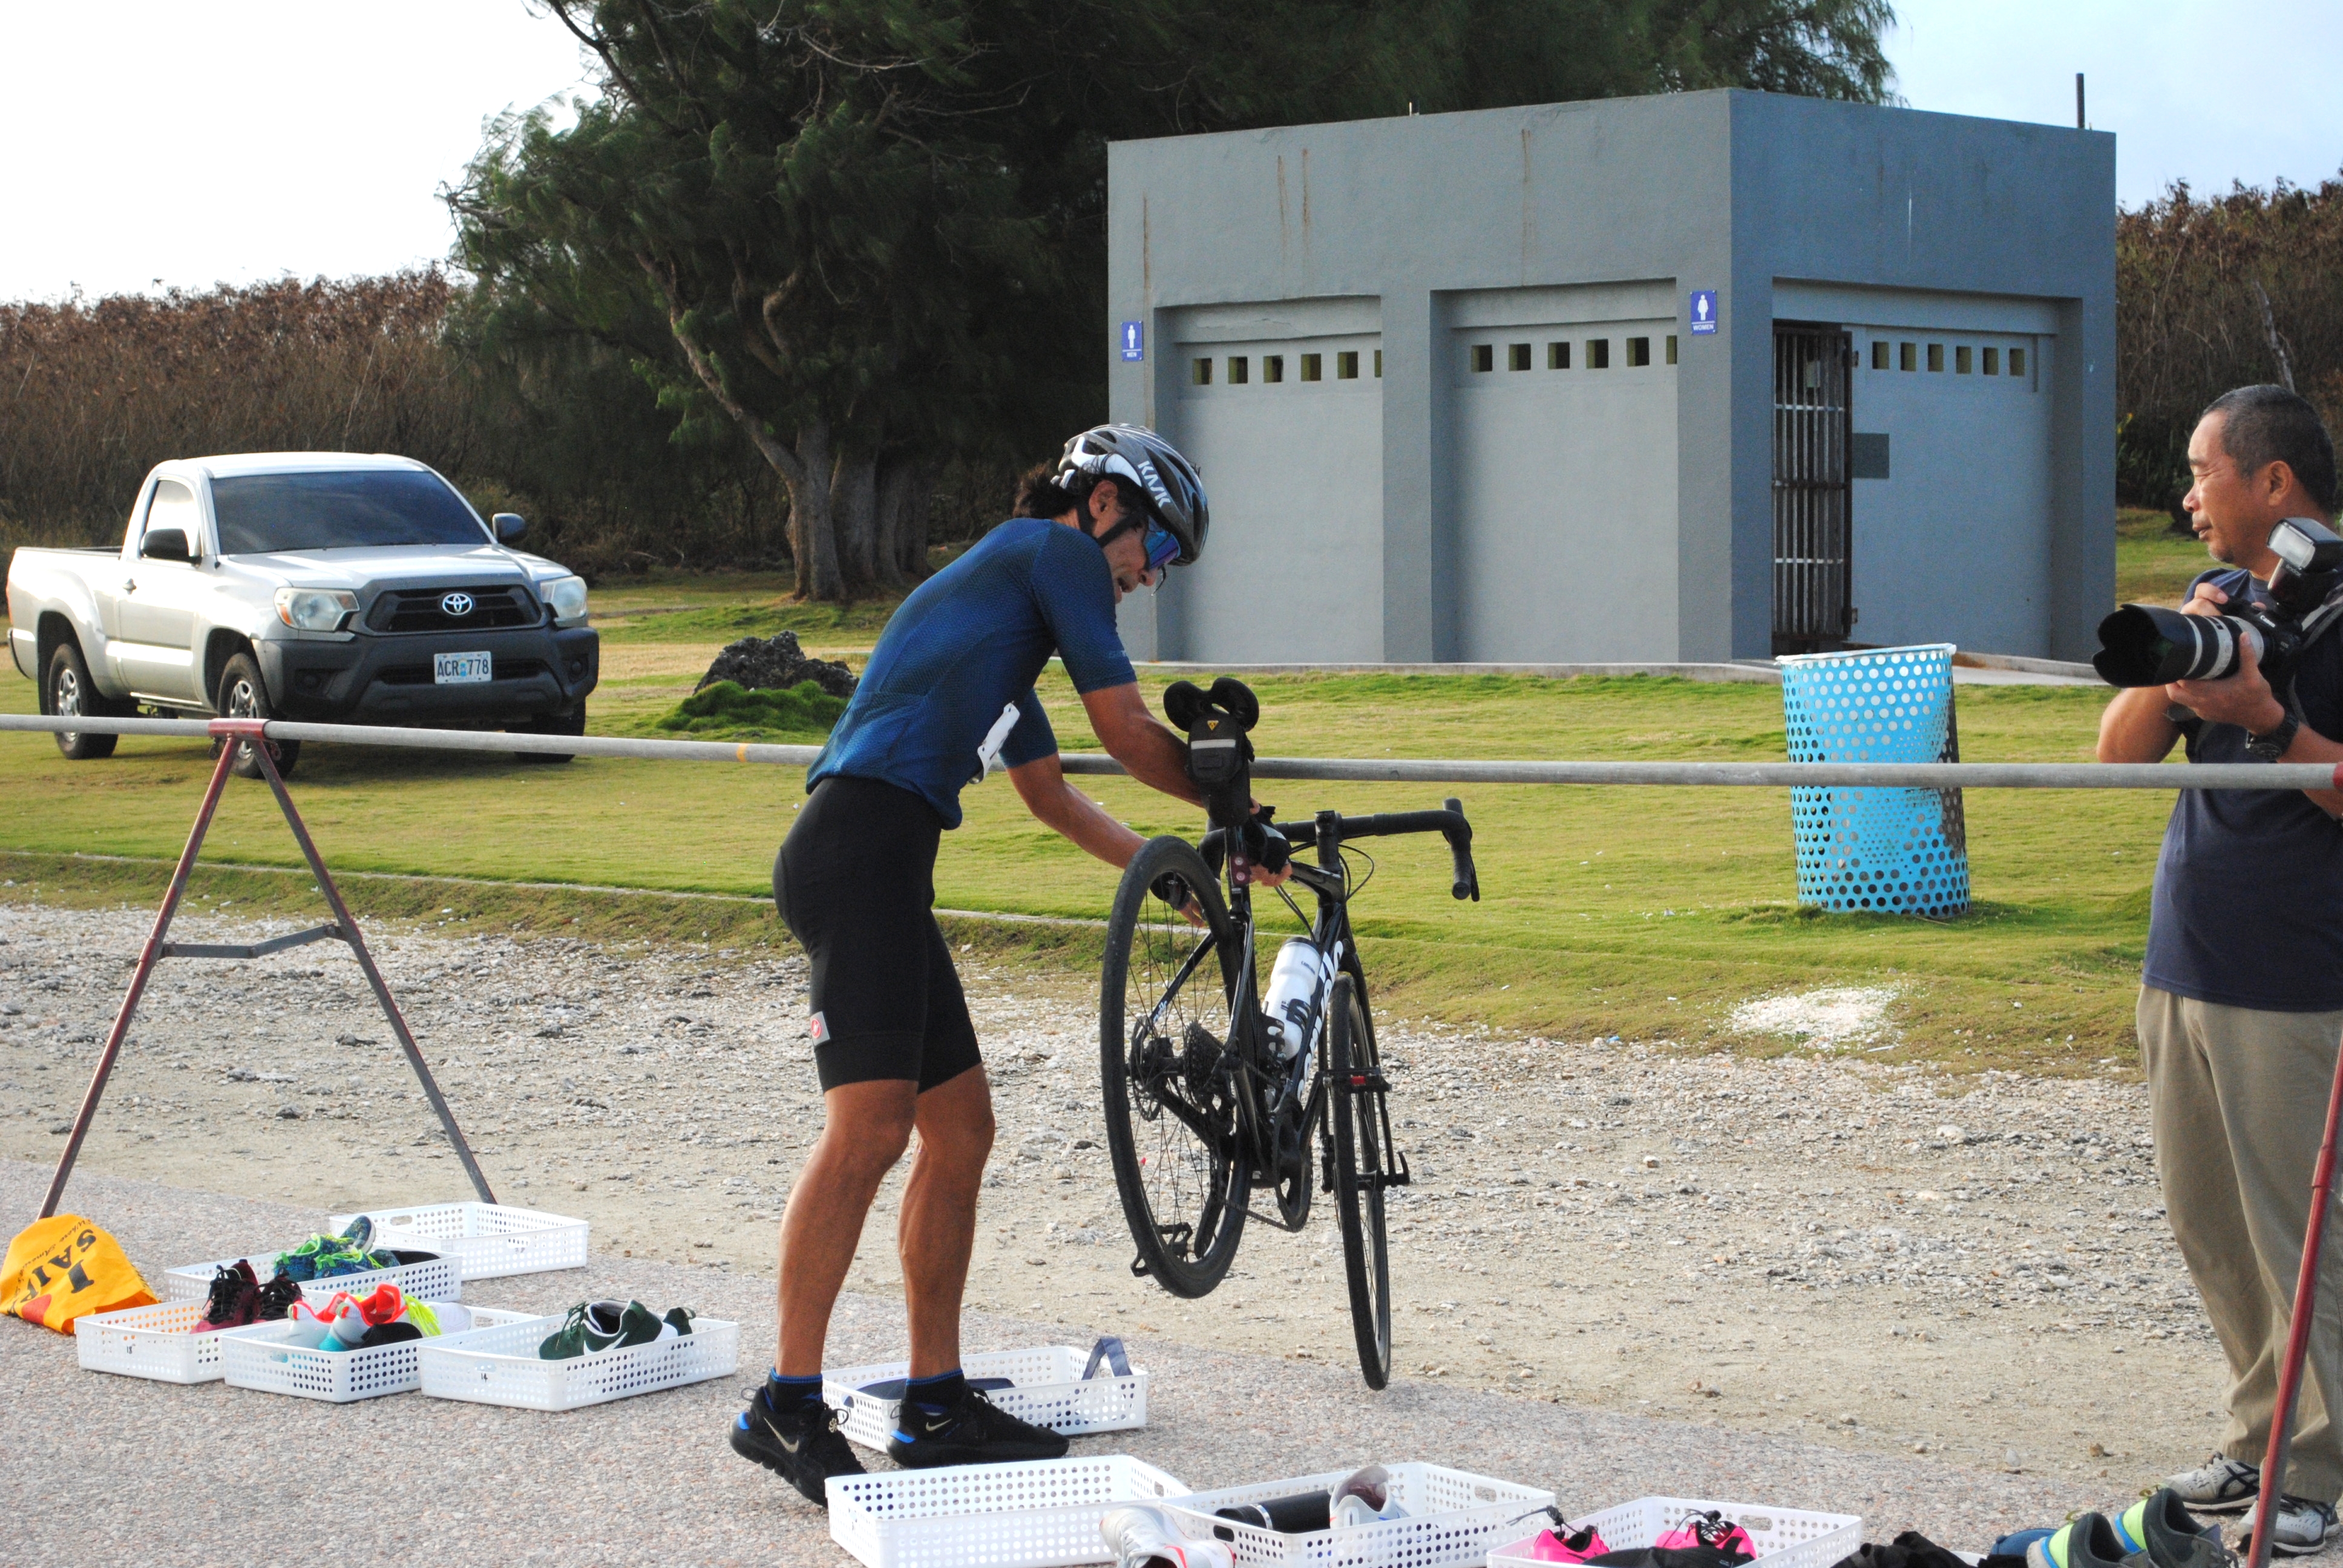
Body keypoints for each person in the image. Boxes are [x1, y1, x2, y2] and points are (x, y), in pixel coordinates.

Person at [728, 424, 1283, 1504]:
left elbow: (1052, 796)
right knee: (868, 1133)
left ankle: (935, 1405)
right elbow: (1125, 729)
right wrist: (1236, 809)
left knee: (961, 1130)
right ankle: (785, 1404)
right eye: (1160, 548)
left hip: (883, 862)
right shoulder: (1052, 552)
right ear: (1107, 503)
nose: (1152, 575)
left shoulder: (1001, 616)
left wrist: (1173, 875)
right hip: (858, 852)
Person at [2097, 384, 2343, 1555]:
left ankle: (2319, 1474)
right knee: (2213, 1227)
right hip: (2188, 956)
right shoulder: (2230, 599)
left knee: (2302, 1238)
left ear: (2273, 481)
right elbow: (2118, 759)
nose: (2187, 495)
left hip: (2298, 976)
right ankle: (2260, 1439)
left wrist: (2267, 716)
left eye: (2202, 472)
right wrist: (2185, 647)